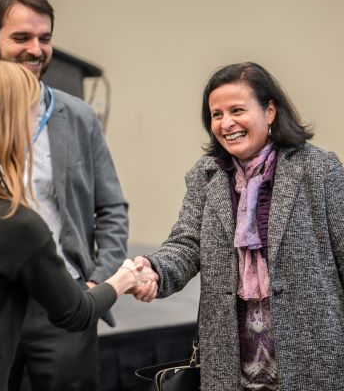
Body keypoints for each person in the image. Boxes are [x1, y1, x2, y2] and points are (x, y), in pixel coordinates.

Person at [0, 59, 156, 391]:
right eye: (31, 113)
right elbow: (76, 313)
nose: (37, 122)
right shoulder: (14, 224)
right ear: (8, 124)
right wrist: (125, 277)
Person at [132, 62, 344, 390]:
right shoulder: (206, 176)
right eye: (216, 114)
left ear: (270, 111)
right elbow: (186, 242)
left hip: (311, 360)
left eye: (237, 110)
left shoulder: (318, 169)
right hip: (231, 364)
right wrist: (155, 271)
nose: (226, 123)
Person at [0, 0, 131, 390]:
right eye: (22, 38)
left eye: (44, 38)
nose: (36, 50)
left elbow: (112, 206)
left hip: (65, 300)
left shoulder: (78, 116)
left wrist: (98, 282)